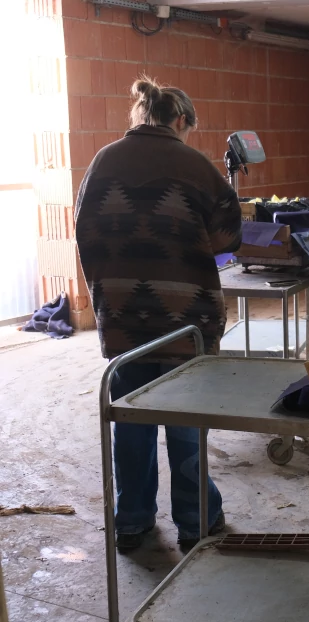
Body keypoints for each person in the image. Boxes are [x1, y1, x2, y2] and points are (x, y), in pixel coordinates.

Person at [76, 77, 241, 551]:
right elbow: (228, 236)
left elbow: (83, 228)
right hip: (184, 323)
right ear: (181, 120)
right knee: (185, 420)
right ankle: (195, 521)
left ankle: (131, 521)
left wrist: (111, 294)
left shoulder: (102, 162)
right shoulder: (195, 166)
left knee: (131, 419)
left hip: (124, 320)